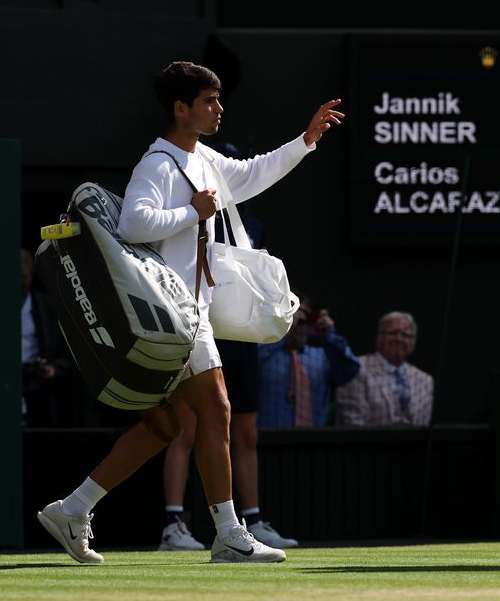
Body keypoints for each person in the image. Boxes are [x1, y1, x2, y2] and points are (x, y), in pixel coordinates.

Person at [35, 61, 343, 565]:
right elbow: (135, 223)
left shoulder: (204, 159)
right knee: (216, 410)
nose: (218, 109)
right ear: (181, 109)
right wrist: (194, 212)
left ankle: (73, 508)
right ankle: (228, 533)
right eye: (208, 101)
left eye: (218, 100)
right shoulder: (158, 164)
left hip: (185, 311)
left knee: (164, 426)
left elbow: (252, 173)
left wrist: (305, 140)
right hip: (172, 311)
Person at [157, 340, 298, 552]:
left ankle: (253, 522)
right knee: (185, 434)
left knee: (247, 436)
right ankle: (173, 526)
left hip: (243, 338)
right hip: (203, 335)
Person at [257, 295, 360, 428]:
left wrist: (329, 334)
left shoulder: (322, 357)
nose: (299, 319)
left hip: (312, 443)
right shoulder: (264, 352)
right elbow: (243, 365)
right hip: (266, 441)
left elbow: (350, 370)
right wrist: (282, 332)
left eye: (304, 315)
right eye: (292, 313)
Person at [336, 312, 434, 427]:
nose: (398, 339)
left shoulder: (425, 380)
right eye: (392, 333)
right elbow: (353, 423)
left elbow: (424, 427)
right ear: (379, 338)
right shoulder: (356, 369)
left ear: (413, 343)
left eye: (405, 335)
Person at [20, 248, 72, 427]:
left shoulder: (46, 307)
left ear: (31, 276)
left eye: (24, 277)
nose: (20, 283)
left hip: (36, 381)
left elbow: (65, 349)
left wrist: (54, 368)